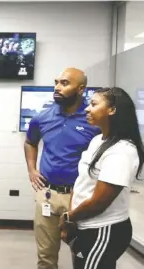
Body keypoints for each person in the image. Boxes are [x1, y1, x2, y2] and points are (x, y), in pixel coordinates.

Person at [24, 67, 101, 269]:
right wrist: (32, 170)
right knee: (46, 257)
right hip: (47, 195)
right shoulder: (42, 117)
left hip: (80, 198)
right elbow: (30, 142)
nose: (57, 87)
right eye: (56, 82)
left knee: (84, 254)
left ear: (81, 88)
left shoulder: (93, 120)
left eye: (64, 83)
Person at [59, 87, 144, 269]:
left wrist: (68, 217)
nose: (87, 109)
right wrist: (72, 219)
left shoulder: (122, 151)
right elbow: (82, 182)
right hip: (85, 225)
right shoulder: (98, 140)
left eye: (94, 104)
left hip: (102, 229)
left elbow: (99, 202)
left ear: (112, 110)